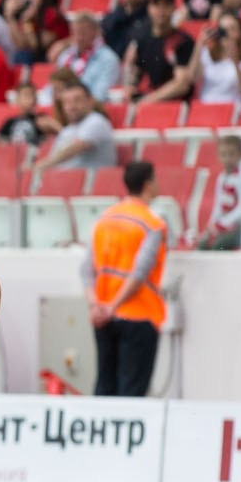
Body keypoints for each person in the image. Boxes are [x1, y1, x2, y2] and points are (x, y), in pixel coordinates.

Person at [82, 161, 167, 396]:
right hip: (138, 314)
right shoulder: (152, 224)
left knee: (104, 386)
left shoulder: (105, 219)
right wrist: (114, 306)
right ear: (148, 185)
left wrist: (96, 306)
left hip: (103, 317)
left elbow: (86, 269)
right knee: (131, 390)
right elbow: (140, 272)